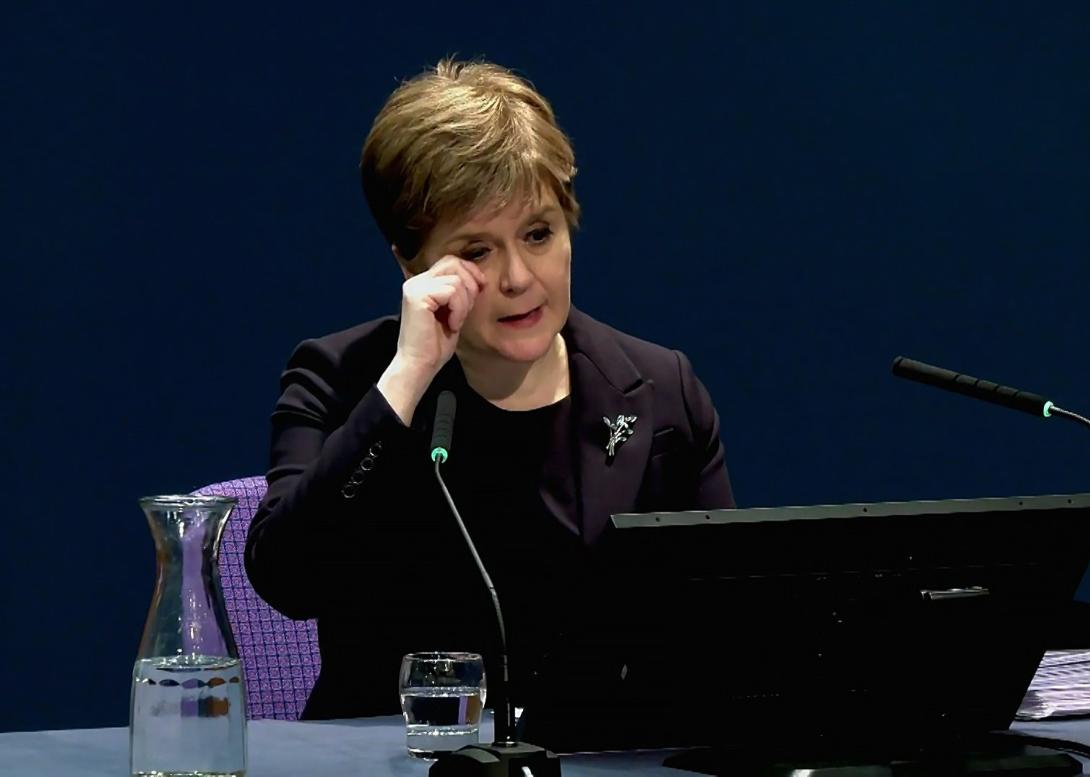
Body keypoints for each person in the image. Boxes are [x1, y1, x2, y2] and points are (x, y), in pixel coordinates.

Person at [244, 58, 734, 721]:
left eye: (538, 234)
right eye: (475, 251)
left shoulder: (658, 392)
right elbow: (287, 576)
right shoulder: (345, 377)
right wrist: (407, 378)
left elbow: (724, 626)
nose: (517, 278)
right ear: (410, 262)